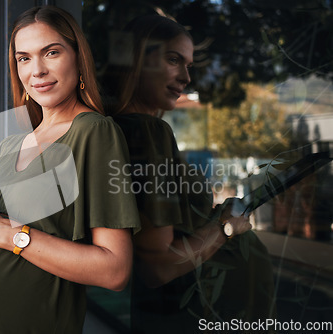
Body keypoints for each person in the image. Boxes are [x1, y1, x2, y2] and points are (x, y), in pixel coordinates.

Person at [0, 6, 140, 334]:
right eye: (24, 58)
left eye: (52, 52)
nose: (38, 71)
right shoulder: (10, 146)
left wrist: (9, 235)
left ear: (78, 57)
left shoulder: (94, 133)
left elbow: (115, 270)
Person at [105, 15, 276, 333]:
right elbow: (157, 266)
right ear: (137, 61)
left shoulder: (117, 129)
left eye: (188, 66)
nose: (185, 77)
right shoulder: (147, 133)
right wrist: (226, 228)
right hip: (192, 315)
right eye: (173, 60)